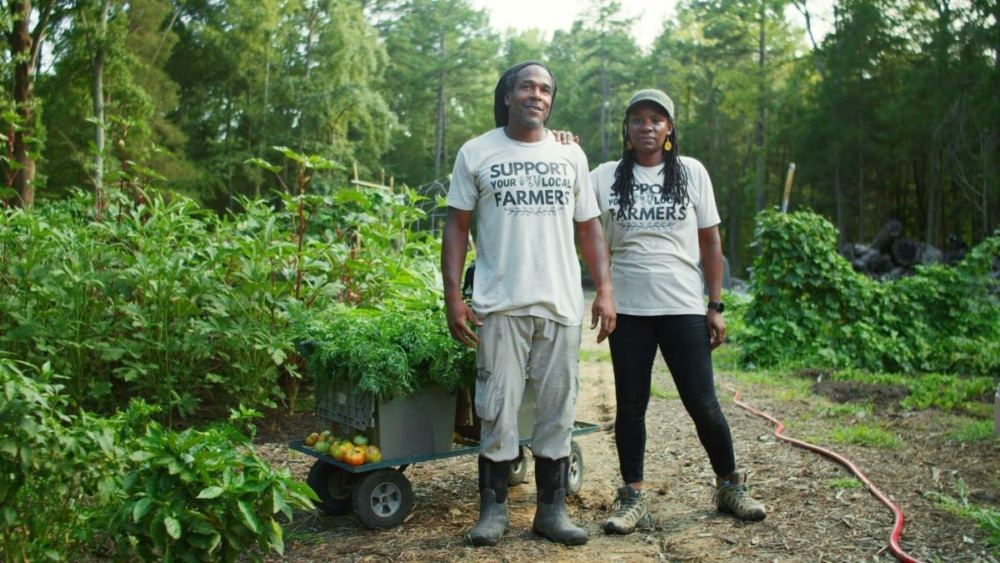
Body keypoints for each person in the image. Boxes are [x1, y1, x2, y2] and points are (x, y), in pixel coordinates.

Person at [441, 60, 616, 547]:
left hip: (561, 305)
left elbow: (589, 227)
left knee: (557, 411)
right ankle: (493, 512)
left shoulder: (571, 156)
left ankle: (551, 511)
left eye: (544, 89)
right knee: (496, 409)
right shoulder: (477, 152)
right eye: (526, 87)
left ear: (551, 101)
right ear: (508, 95)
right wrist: (453, 295)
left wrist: (604, 288)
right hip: (499, 305)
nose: (535, 95)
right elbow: (456, 227)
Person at [589, 89, 766, 535]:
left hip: (683, 306)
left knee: (703, 403)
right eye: (637, 120)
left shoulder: (691, 173)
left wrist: (715, 304)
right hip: (627, 309)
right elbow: (586, 230)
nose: (646, 126)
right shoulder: (605, 176)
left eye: (656, 119)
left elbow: (711, 240)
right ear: (626, 130)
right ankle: (632, 498)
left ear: (669, 129)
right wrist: (603, 290)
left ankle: (730, 486)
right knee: (631, 406)